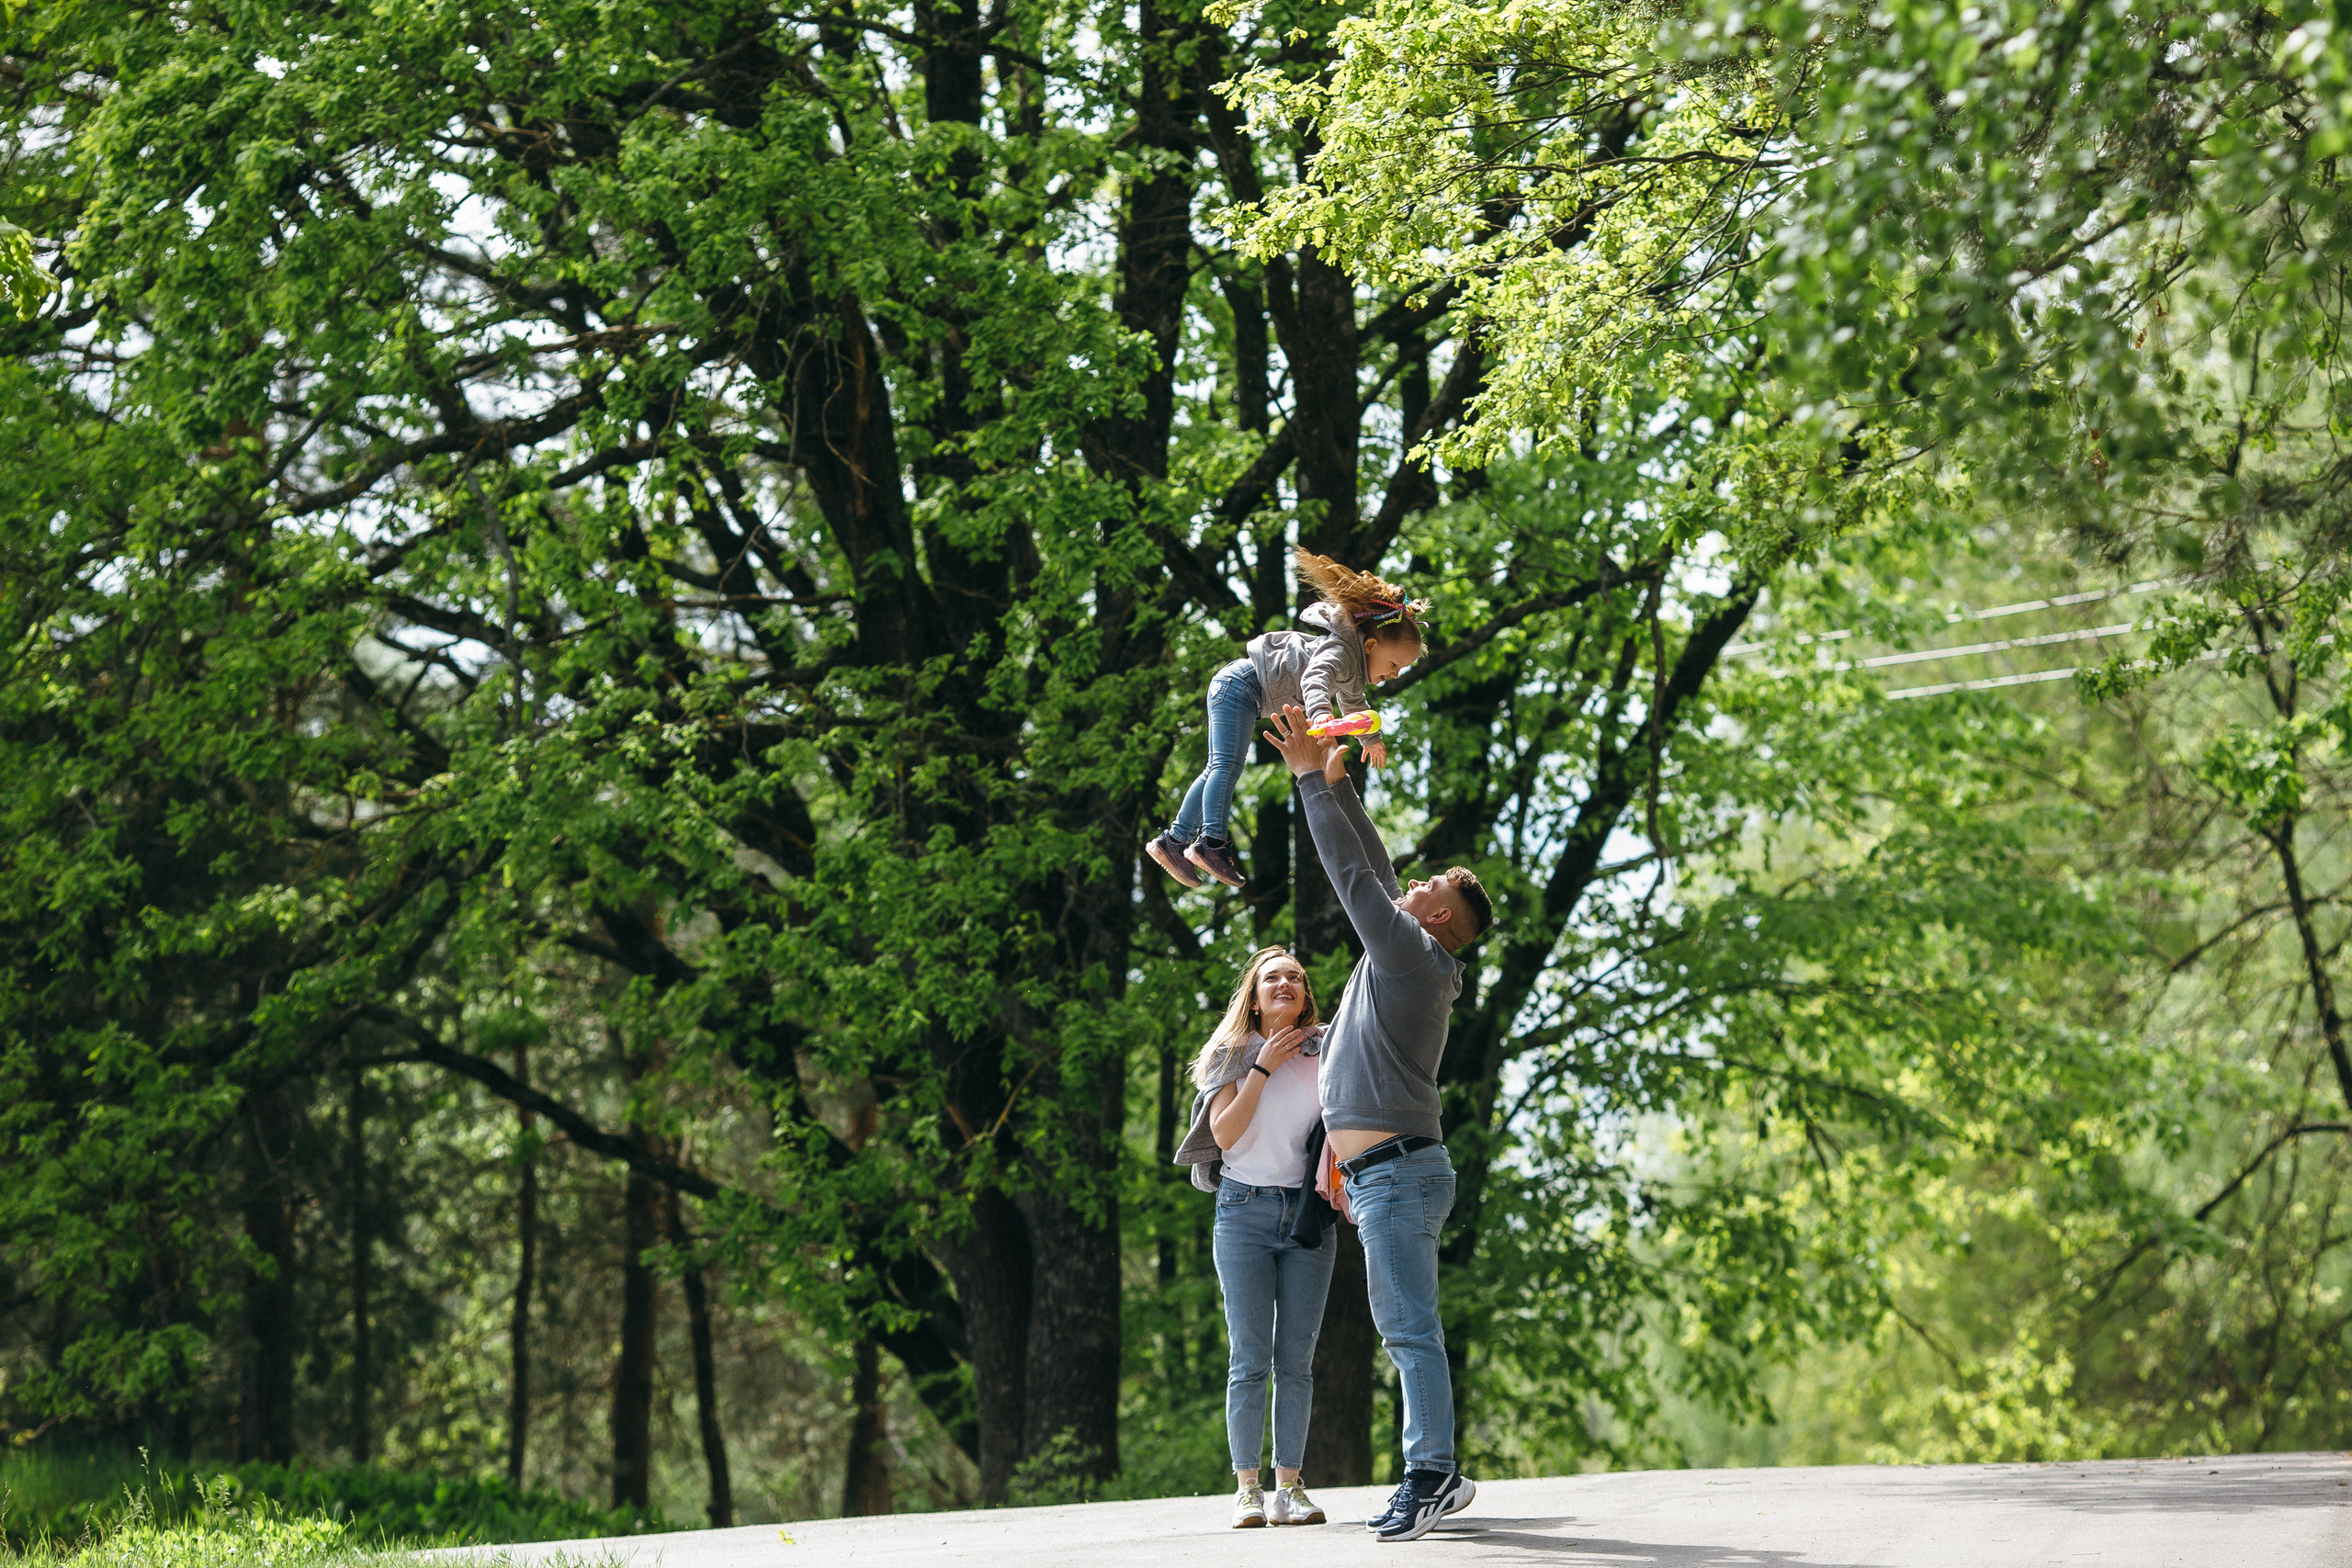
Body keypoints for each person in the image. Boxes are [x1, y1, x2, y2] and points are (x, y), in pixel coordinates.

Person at [1261, 701, 1495, 1544]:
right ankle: (1439, 1468)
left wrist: (1306, 785)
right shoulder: (1412, 951)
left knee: (1406, 1329)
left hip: (1396, 1171)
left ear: (1434, 920)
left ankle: (1427, 1474)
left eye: (1429, 887)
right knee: (1412, 1326)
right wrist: (1338, 779)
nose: (1415, 881)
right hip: (1389, 1170)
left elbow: (1356, 878)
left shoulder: (1408, 951)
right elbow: (1378, 861)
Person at [1171, 943, 1341, 1529]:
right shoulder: (1233, 1053)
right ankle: (1247, 1489)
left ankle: (1289, 1489)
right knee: (1249, 1358)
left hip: (1305, 1217)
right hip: (1242, 1213)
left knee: (1295, 1360)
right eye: (1273, 977)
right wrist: (1264, 1066)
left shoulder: (1327, 1052)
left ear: (1305, 994)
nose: (1286, 983)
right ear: (1255, 992)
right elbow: (1224, 1134)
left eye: (1296, 976)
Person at [1148, 549, 1430, 891]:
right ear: (1370, 644)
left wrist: (1370, 738)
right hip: (1240, 684)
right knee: (1225, 766)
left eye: (1400, 670)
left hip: (1246, 693)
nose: (1395, 674)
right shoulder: (1341, 652)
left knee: (1216, 768)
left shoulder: (1355, 671)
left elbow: (1354, 704)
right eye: (1394, 664)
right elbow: (1315, 679)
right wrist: (1322, 715)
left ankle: (1173, 842)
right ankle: (1211, 843)